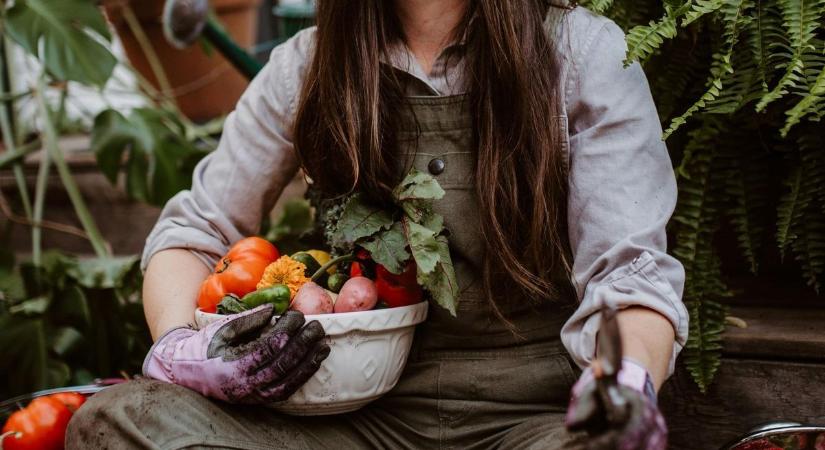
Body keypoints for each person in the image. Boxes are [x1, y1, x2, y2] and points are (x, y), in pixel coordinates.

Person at [67, 0, 688, 448]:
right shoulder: (308, 66)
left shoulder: (581, 53)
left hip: (538, 421)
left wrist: (626, 382)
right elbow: (193, 234)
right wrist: (183, 349)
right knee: (115, 419)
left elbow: (631, 276)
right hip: (351, 422)